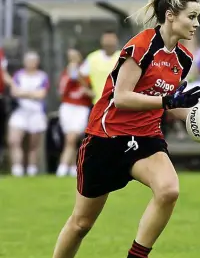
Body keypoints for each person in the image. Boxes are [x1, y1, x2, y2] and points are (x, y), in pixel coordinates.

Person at [39, 0, 200, 258]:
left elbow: (171, 105)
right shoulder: (142, 45)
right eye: (191, 17)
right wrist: (167, 102)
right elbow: (122, 98)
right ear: (170, 16)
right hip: (106, 138)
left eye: (198, 17)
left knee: (168, 190)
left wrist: (199, 120)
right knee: (81, 224)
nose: (196, 23)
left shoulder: (184, 59)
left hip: (146, 137)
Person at [7, 51, 49, 177]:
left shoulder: (42, 76)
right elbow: (14, 92)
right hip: (21, 111)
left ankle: (31, 170)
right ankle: (17, 169)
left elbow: (41, 94)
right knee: (14, 140)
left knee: (33, 144)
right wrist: (32, 94)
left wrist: (23, 93)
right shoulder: (18, 75)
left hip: (36, 112)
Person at [56, 48, 94, 177]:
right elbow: (61, 92)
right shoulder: (66, 74)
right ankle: (73, 168)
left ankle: (61, 168)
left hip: (81, 108)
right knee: (69, 140)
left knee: (72, 138)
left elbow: (91, 91)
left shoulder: (86, 74)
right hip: (68, 107)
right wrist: (69, 75)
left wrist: (79, 77)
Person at [79, 29, 121, 104]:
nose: (109, 41)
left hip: (117, 103)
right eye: (106, 39)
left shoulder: (122, 57)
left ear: (116, 40)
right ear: (101, 41)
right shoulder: (92, 57)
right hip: (98, 103)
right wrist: (88, 91)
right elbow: (80, 74)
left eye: (111, 39)